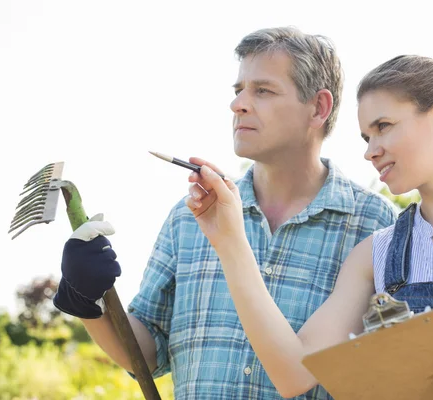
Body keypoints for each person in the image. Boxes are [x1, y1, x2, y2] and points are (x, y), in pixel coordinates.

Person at [185, 55, 433, 400]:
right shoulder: (375, 255)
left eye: (384, 127)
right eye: (367, 137)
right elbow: (292, 373)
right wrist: (230, 240)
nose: (370, 151)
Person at [52, 27, 397, 399]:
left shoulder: (377, 225)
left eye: (262, 90)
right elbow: (145, 353)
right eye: (238, 91)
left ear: (319, 107)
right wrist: (89, 299)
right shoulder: (189, 218)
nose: (238, 104)